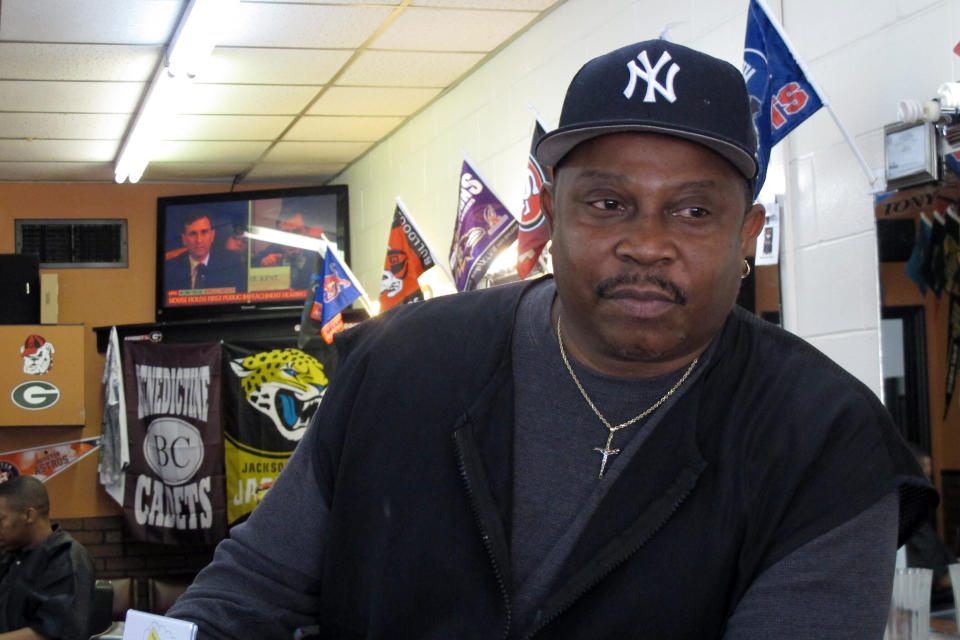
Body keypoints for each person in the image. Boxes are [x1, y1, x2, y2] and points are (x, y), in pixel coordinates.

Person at [168, 40, 936, 639]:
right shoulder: (406, 363)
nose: (646, 243)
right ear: (554, 217)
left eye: (693, 212)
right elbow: (249, 591)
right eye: (607, 202)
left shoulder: (827, 444)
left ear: (748, 236)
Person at [0, 476, 95, 640]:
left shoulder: (66, 558)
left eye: (0, 521)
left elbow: (54, 634)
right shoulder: (12, 554)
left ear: (29, 515)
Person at [904, 444, 957, 609]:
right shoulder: (907, 521)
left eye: (930, 477)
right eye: (924, 477)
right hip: (930, 605)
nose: (929, 484)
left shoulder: (918, 518)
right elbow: (941, 579)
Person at [165, 211, 245, 292]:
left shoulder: (232, 262)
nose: (199, 240)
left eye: (204, 232)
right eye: (192, 234)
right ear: (184, 239)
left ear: (212, 235)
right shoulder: (170, 269)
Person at [253, 205, 323, 291]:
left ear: (306, 232)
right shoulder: (269, 252)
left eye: (296, 232)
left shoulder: (319, 256)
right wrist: (263, 266)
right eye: (285, 232)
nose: (291, 238)